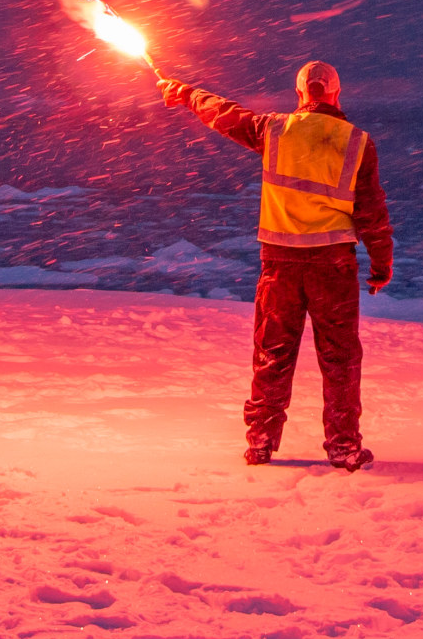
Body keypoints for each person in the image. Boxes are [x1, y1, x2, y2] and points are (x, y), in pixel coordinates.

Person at [158, 59, 392, 470]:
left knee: (272, 353)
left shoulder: (274, 129)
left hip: (280, 264)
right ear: (336, 93)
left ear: (300, 93)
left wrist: (188, 94)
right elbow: (371, 211)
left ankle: (261, 442)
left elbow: (224, 114)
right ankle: (343, 446)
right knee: (339, 359)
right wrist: (381, 263)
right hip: (333, 266)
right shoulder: (358, 141)